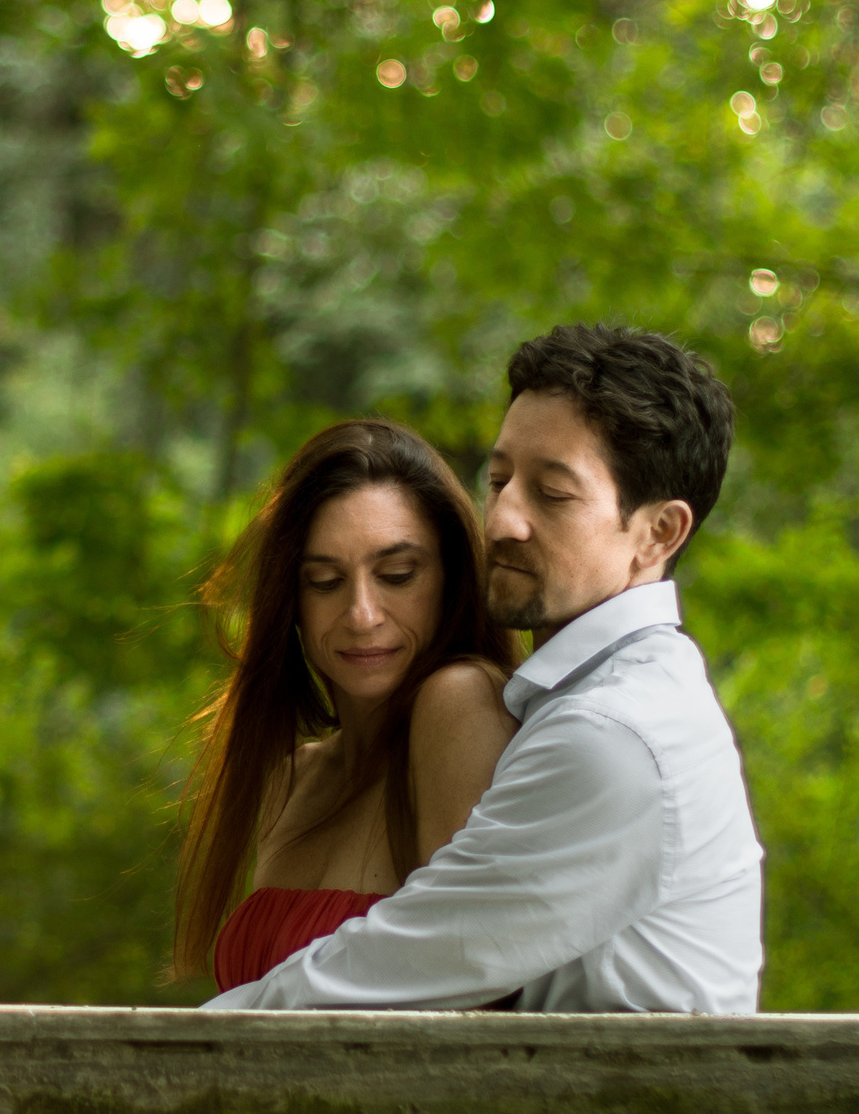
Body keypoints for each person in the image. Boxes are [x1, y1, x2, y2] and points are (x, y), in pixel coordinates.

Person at [205, 324, 762, 1014]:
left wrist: (183, 1047)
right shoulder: (584, 703)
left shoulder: (612, 734)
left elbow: (427, 953)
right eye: (498, 481)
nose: (501, 521)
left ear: (659, 533)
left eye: (551, 494)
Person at [173, 420, 522, 995]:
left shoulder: (461, 701)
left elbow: (469, 986)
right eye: (324, 581)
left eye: (397, 575)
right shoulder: (294, 777)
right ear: (292, 601)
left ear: (452, 579)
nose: (362, 614)